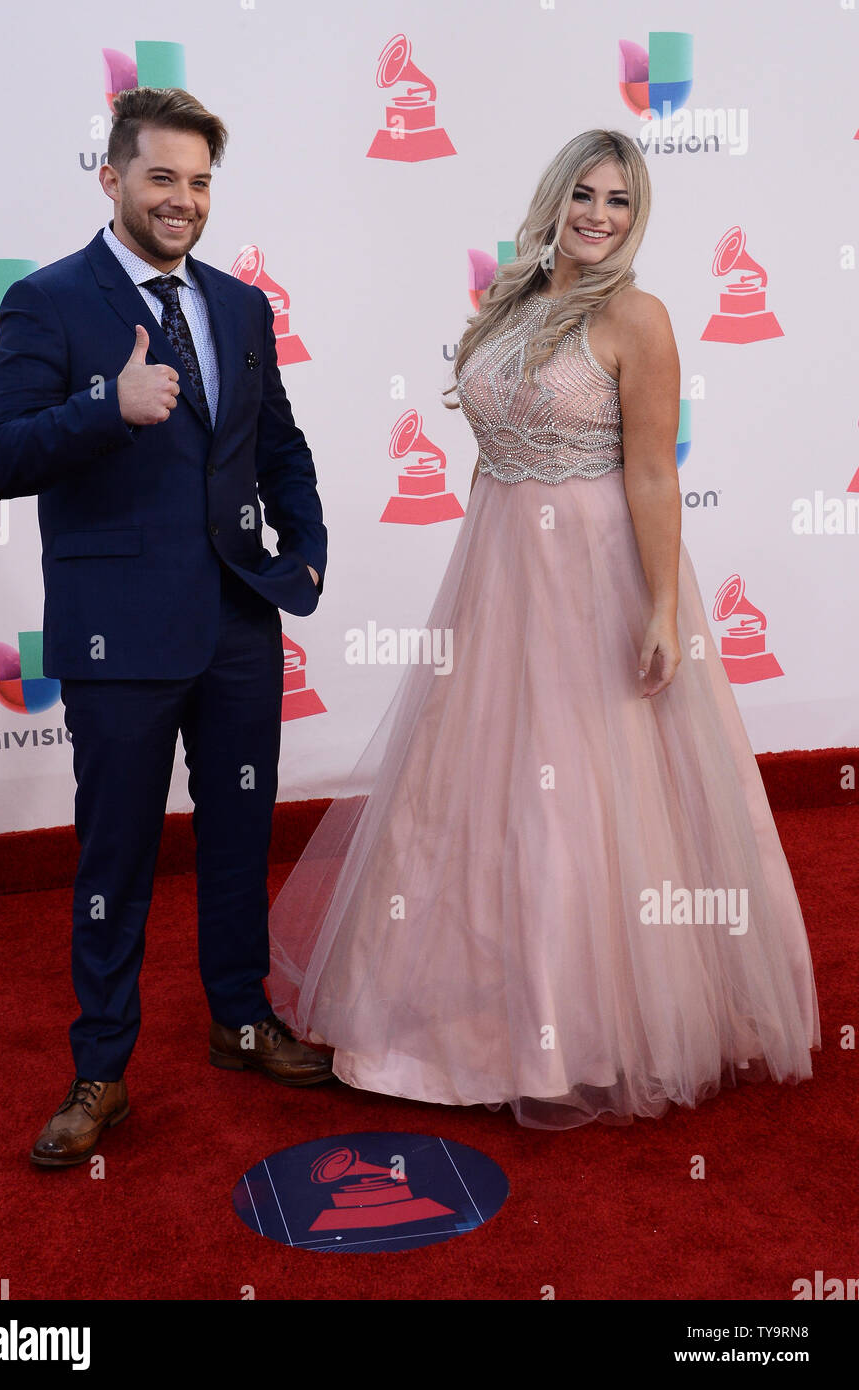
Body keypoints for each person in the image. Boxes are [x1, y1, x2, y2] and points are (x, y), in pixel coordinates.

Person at [266, 128, 820, 1130]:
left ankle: (588, 1026)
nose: (598, 215)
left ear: (633, 216)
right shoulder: (508, 306)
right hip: (499, 566)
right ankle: (462, 1019)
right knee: (472, 782)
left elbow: (651, 471)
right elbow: (490, 458)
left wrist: (657, 604)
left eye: (618, 200)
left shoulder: (637, 319)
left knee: (583, 783)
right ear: (553, 202)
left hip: (595, 573)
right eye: (583, 195)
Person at [0, 87, 334, 1169]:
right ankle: (102, 1071)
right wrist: (101, 408)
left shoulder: (239, 305)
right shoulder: (47, 300)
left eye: (200, 181)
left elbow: (281, 446)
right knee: (116, 856)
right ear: (113, 179)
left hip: (235, 626)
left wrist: (300, 555)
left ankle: (240, 1020)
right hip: (113, 636)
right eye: (162, 177)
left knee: (236, 840)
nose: (183, 200)